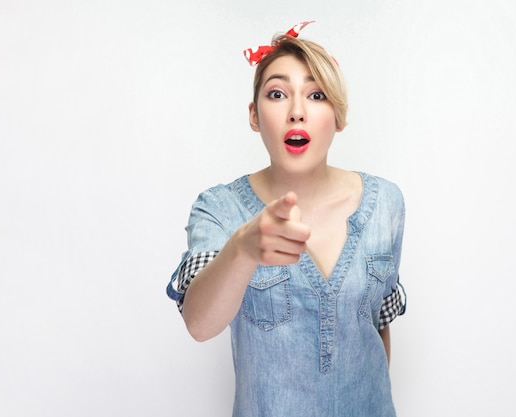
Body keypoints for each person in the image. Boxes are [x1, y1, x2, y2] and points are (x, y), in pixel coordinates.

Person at [166, 21, 406, 417]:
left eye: (316, 95)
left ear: (338, 114)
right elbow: (199, 323)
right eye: (277, 94)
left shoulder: (387, 203)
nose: (297, 112)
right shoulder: (219, 208)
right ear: (255, 115)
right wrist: (243, 249)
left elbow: (379, 324)